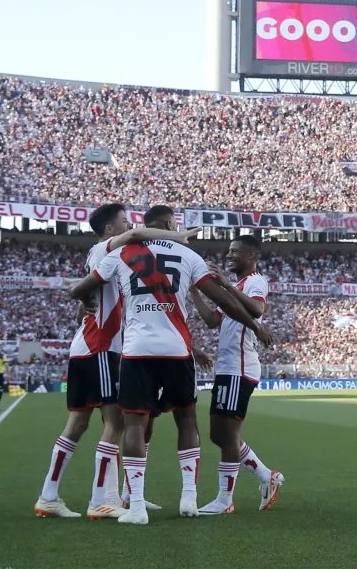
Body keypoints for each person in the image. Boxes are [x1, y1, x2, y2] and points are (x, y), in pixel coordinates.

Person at [69, 205, 273, 525]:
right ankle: (188, 498)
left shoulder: (123, 252)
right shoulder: (188, 256)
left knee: (135, 425)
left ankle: (135, 506)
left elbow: (79, 288)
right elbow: (220, 302)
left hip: (137, 351)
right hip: (177, 350)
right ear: (167, 224)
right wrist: (255, 324)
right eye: (175, 223)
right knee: (187, 421)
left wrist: (84, 300)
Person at [34, 203, 201, 520]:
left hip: (88, 343)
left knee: (80, 423)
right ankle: (101, 500)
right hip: (102, 345)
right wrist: (178, 236)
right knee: (116, 423)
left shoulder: (101, 257)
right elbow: (138, 234)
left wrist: (87, 306)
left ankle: (52, 495)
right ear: (110, 229)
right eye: (124, 222)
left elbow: (83, 301)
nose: (130, 227)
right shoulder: (107, 249)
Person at [188, 234, 284, 515]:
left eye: (235, 252)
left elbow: (256, 309)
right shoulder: (237, 287)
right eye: (228, 251)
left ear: (251, 256)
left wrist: (225, 285)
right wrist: (195, 289)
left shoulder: (255, 281)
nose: (229, 256)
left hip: (240, 366)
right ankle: (268, 476)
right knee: (219, 434)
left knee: (228, 434)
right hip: (228, 367)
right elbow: (211, 320)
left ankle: (224, 499)